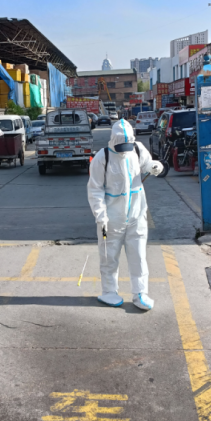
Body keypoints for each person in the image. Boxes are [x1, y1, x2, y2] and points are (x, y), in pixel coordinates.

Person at [87, 120, 164, 311]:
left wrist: (155, 167)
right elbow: (95, 189)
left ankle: (140, 293)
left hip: (136, 214)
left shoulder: (136, 149)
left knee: (138, 255)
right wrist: (101, 215)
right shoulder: (102, 157)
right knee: (109, 257)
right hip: (110, 219)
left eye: (126, 146)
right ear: (114, 140)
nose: (124, 151)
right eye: (121, 147)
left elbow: (147, 164)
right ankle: (109, 292)